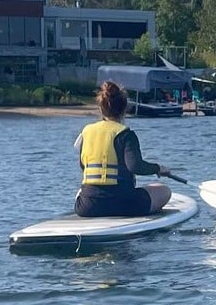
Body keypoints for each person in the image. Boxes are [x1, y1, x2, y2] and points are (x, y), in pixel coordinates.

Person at [73, 81, 172, 217]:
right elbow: (135, 166)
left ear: (101, 109)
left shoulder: (86, 132)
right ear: (124, 109)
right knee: (165, 191)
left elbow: (83, 166)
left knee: (81, 191)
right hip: (123, 204)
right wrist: (158, 168)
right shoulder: (125, 134)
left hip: (87, 206)